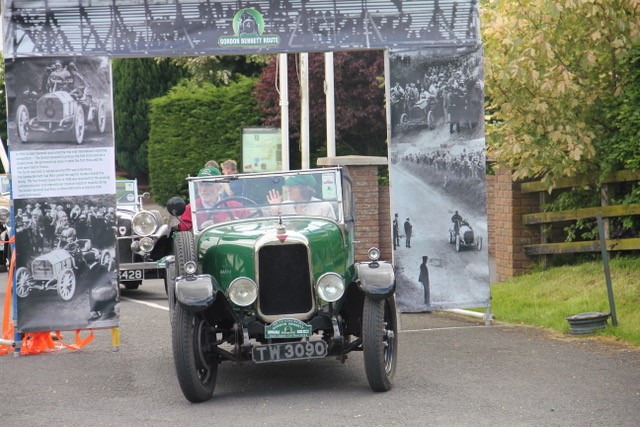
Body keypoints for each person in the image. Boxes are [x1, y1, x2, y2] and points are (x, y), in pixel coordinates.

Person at [178, 166, 248, 231]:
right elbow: (184, 237)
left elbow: (253, 226)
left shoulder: (236, 207)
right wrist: (200, 230)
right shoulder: (190, 209)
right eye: (200, 184)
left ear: (220, 187)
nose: (203, 189)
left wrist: (239, 224)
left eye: (208, 184)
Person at [267, 174, 336, 220]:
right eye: (288, 187)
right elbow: (275, 230)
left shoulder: (324, 206)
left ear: (304, 189)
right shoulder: (285, 206)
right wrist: (274, 210)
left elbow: (332, 230)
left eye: (293, 187)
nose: (288, 190)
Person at [86, 251, 117, 322]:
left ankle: (97, 312)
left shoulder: (90, 271)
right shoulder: (102, 267)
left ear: (87, 262)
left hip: (99, 293)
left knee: (92, 291)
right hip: (108, 291)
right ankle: (108, 311)